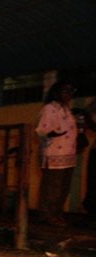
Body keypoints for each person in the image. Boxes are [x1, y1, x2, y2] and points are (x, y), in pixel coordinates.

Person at [35, 81, 78, 227]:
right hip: (54, 154)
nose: (69, 94)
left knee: (64, 187)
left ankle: (56, 214)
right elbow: (42, 130)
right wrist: (55, 134)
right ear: (56, 93)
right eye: (65, 91)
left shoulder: (67, 109)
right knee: (53, 187)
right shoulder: (49, 108)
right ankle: (47, 216)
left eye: (71, 91)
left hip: (68, 154)